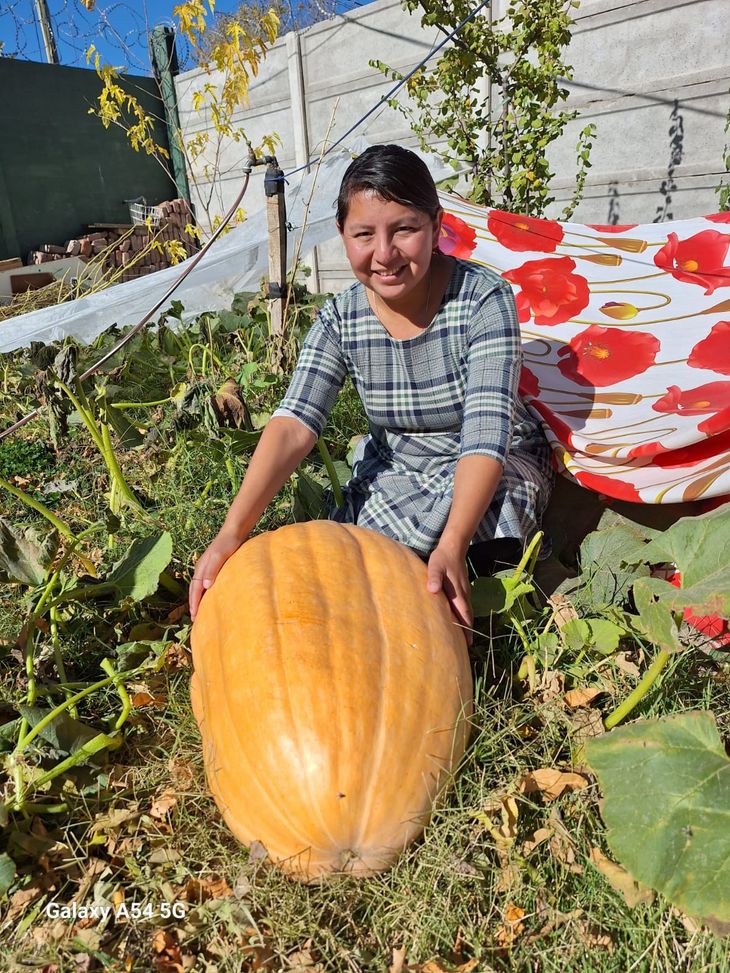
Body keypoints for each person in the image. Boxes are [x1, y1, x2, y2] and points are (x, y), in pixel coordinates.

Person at [189, 144, 553, 641]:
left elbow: (486, 433)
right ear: (343, 235)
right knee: (360, 565)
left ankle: (496, 619)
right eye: (364, 234)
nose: (385, 253)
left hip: (492, 461)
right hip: (400, 467)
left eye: (404, 229)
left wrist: (452, 543)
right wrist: (232, 532)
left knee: (493, 526)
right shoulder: (341, 318)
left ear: (435, 225)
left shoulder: (483, 299)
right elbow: (295, 422)